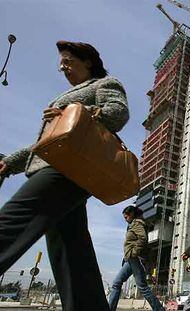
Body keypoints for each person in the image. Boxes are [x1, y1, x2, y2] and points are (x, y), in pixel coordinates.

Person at [0, 41, 129, 311]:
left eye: (68, 61)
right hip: (60, 165)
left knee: (12, 221)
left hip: (68, 170)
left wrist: (75, 112)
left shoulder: (104, 83)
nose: (63, 67)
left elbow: (118, 113)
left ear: (88, 62)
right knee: (71, 253)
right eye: (61, 64)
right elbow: (46, 143)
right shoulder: (68, 96)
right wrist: (9, 163)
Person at [108, 205, 165, 311]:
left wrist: (134, 253)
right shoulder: (133, 224)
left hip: (136, 259)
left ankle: (160, 309)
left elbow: (143, 238)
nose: (125, 220)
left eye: (126, 217)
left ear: (132, 214)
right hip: (130, 259)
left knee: (142, 287)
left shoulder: (137, 223)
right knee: (117, 283)